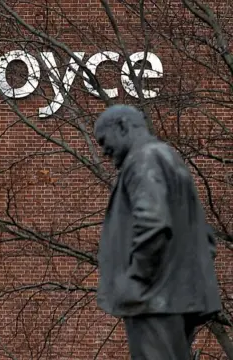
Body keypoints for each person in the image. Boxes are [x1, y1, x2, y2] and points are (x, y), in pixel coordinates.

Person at [94, 105, 221, 359]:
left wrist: (137, 278)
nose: (104, 151)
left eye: (104, 140)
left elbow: (153, 222)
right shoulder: (166, 159)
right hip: (173, 296)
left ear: (122, 127)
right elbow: (206, 239)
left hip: (154, 298)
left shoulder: (143, 159)